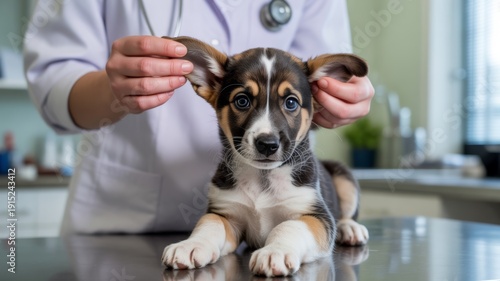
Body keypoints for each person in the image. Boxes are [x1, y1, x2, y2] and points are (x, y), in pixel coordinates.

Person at [24, 0, 374, 235]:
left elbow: (325, 80)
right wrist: (110, 91)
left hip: (276, 219)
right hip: (123, 224)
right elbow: (52, 77)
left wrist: (341, 99)